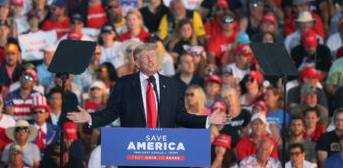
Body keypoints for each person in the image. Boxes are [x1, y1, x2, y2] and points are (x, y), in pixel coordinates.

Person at [67, 43, 229, 129]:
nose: (151, 60)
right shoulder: (124, 84)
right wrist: (91, 118)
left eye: (153, 56)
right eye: (145, 57)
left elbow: (180, 116)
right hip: (134, 151)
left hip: (163, 151)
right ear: (136, 63)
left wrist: (207, 119)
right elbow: (112, 112)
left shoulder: (172, 85)